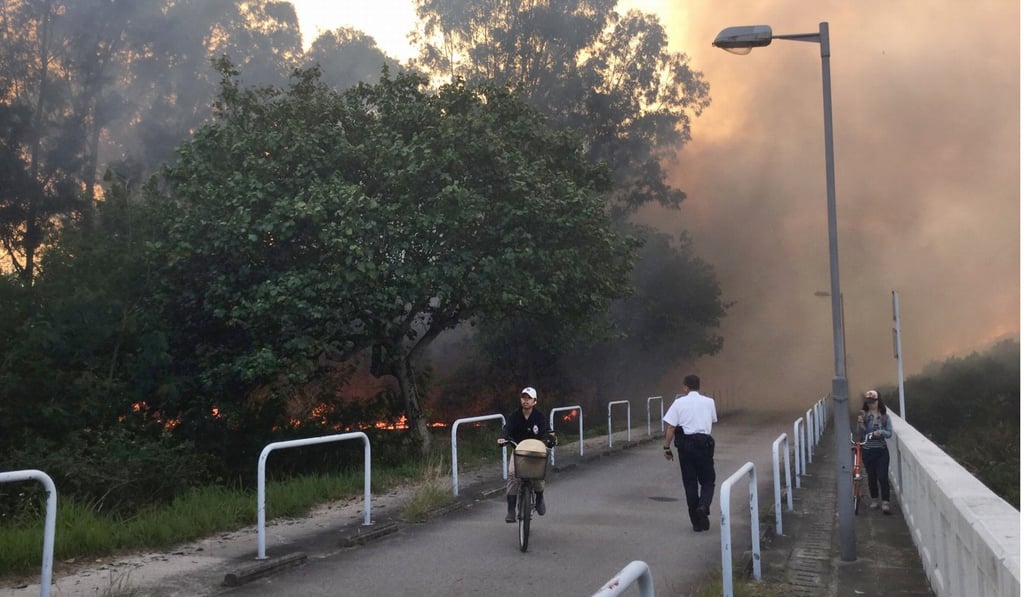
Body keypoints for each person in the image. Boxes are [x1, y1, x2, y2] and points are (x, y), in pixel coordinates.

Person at [662, 374, 718, 532]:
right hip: (704, 444)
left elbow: (671, 427)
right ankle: (703, 506)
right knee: (708, 480)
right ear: (699, 386)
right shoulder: (709, 402)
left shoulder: (679, 403)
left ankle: (696, 522)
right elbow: (713, 420)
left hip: (686, 446)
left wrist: (667, 447)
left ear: (685, 387)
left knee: (690, 483)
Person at [497, 387, 556, 523]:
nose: (526, 400)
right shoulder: (514, 416)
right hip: (518, 451)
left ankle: (539, 499)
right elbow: (507, 429)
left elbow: (547, 431)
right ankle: (511, 510)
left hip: (535, 453)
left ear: (534, 401)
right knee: (512, 474)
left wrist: (549, 439)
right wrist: (503, 438)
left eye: (529, 398)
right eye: (524, 397)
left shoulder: (539, 417)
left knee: (538, 477)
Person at [857, 389, 893, 514]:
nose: (870, 404)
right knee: (871, 477)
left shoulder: (885, 417)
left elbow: (889, 433)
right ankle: (874, 499)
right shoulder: (864, 415)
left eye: (873, 402)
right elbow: (861, 434)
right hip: (868, 451)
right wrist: (861, 423)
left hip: (881, 451)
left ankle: (885, 502)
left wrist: (881, 432)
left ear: (878, 401)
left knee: (882, 476)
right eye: (868, 402)